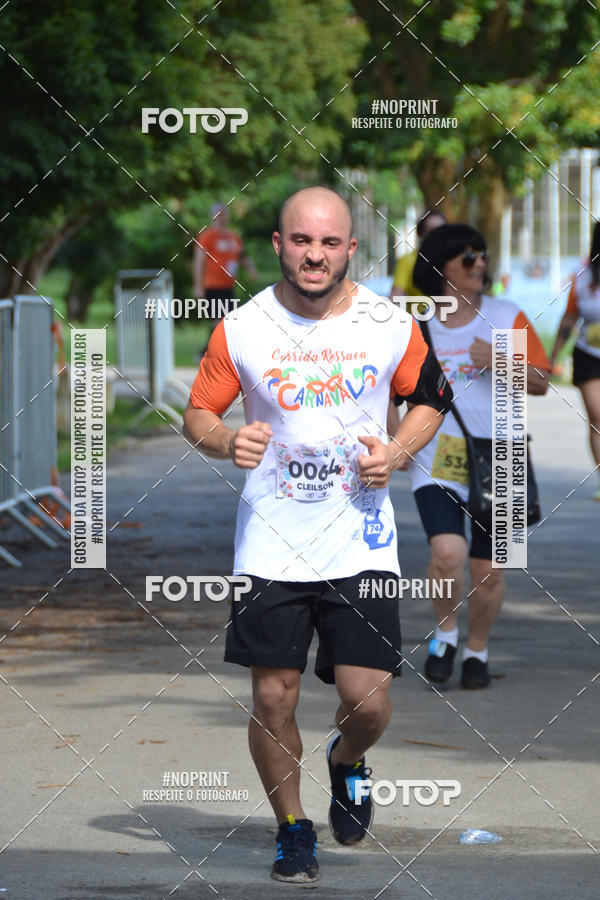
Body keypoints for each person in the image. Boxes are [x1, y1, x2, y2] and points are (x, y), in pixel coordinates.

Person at [183, 186, 452, 883]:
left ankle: (346, 759)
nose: (315, 254)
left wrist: (395, 452)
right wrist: (224, 440)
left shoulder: (388, 322)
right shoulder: (243, 327)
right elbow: (198, 413)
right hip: (271, 537)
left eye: (330, 243)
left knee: (370, 700)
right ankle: (292, 828)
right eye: (302, 241)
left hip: (359, 539)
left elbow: (429, 400)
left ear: (350, 250)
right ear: (279, 245)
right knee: (274, 694)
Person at [398, 224, 551, 689]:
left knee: (488, 570)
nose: (480, 265)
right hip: (438, 456)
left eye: (483, 256)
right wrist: (394, 440)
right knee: (448, 554)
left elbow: (543, 382)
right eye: (469, 259)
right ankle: (445, 635)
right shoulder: (415, 321)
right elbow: (389, 387)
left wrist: (502, 360)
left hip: (503, 457)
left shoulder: (508, 315)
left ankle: (477, 650)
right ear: (441, 267)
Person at [550, 220, 600, 500]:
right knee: (597, 418)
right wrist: (553, 355)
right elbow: (570, 317)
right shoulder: (583, 276)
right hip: (589, 356)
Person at [193, 202, 258, 332]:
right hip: (213, 286)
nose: (221, 218)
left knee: (228, 321)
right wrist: (198, 286)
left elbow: (242, 256)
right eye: (218, 215)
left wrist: (251, 269)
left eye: (223, 215)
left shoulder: (233, 237)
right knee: (219, 322)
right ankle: (209, 350)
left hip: (228, 286)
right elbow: (199, 262)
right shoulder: (207, 237)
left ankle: (213, 349)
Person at [388, 208, 446, 302]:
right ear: (421, 233)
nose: (436, 235)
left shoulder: (455, 260)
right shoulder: (408, 260)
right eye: (430, 230)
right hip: (419, 316)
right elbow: (395, 298)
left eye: (441, 230)